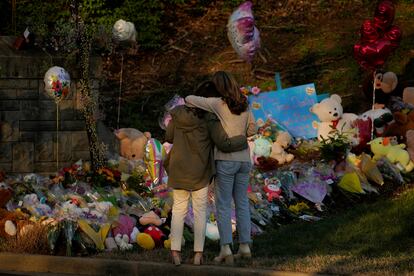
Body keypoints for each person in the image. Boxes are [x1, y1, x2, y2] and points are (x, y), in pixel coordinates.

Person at [165, 80, 248, 266]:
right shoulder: (209, 118)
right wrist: (241, 141)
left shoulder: (176, 114)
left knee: (178, 210)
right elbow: (222, 142)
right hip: (200, 171)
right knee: (200, 212)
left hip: (178, 169)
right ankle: (197, 255)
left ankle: (175, 253)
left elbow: (169, 136)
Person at [185, 71, 256, 265]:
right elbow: (252, 130)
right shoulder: (244, 103)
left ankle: (226, 248)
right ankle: (245, 246)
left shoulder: (217, 104)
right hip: (244, 160)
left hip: (225, 160)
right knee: (241, 202)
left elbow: (189, 99)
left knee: (223, 204)